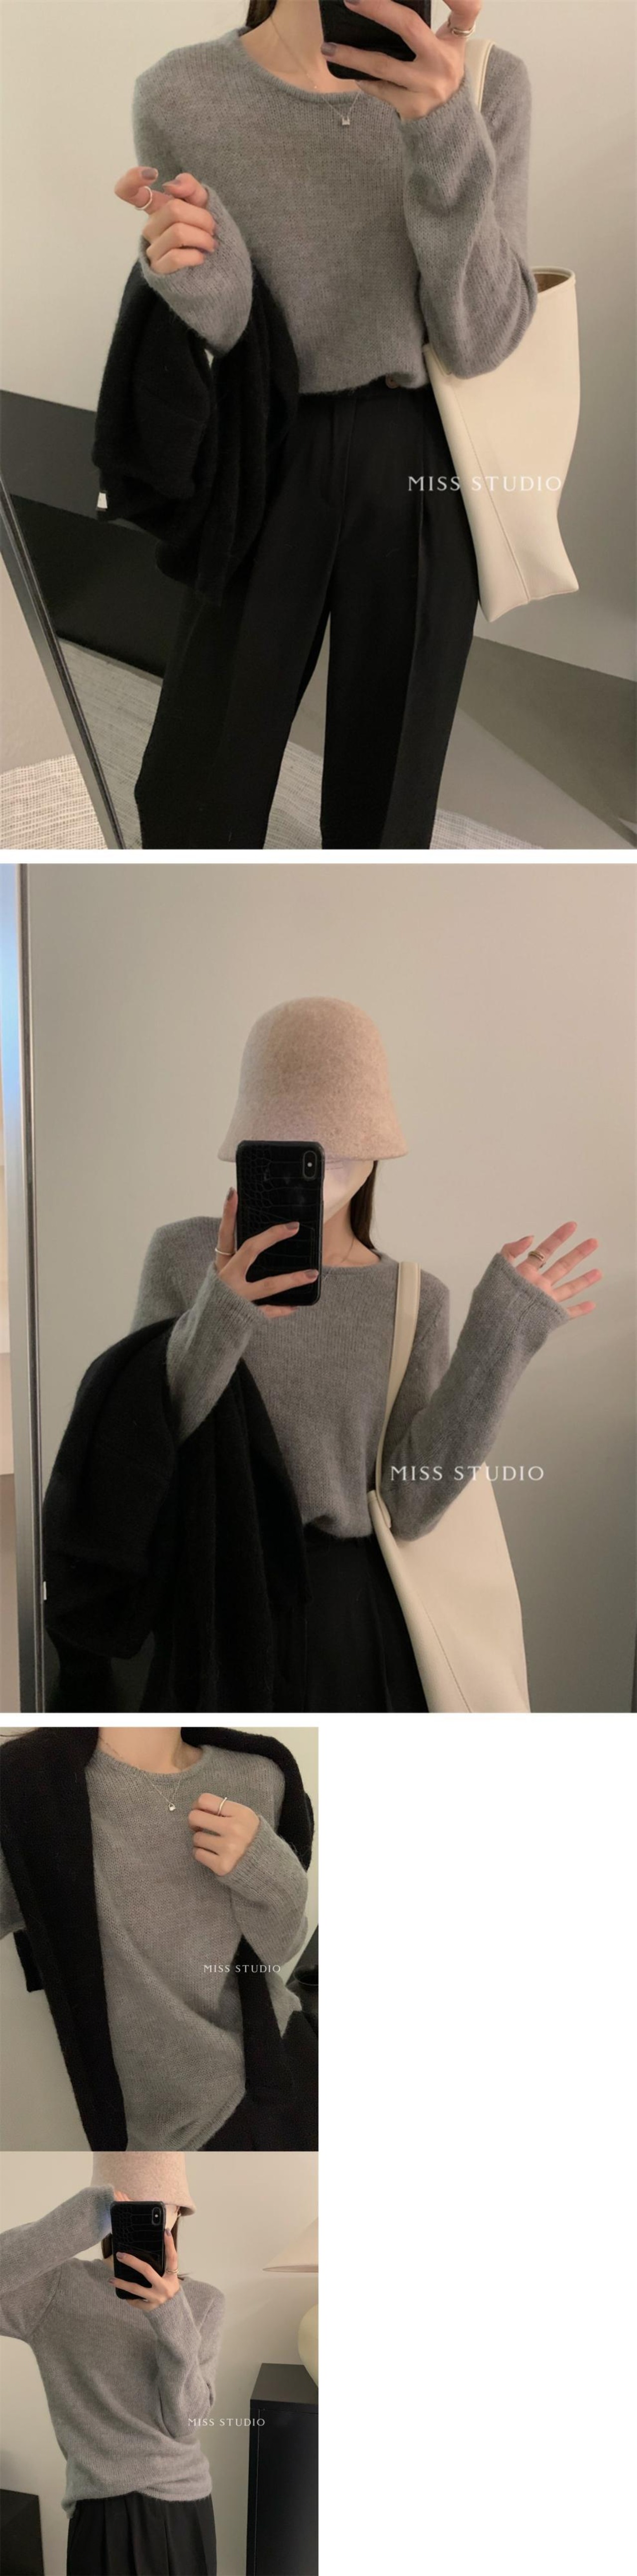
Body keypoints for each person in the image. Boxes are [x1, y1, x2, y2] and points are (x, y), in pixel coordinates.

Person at [112, 0, 538, 848]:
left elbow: (483, 337)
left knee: (388, 803)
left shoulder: (488, 84)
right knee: (198, 786)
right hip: (262, 444)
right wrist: (188, 275)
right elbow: (231, 331)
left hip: (426, 456)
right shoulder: (182, 92)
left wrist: (441, 128)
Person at [131, 996, 603, 1711]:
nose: (318, 1156)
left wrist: (500, 1336)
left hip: (348, 1623)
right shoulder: (183, 1255)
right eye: (293, 1136)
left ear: (375, 1144)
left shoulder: (412, 1297)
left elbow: (410, 1504)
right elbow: (144, 1444)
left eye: (339, 1134)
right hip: (208, 1598)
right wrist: (224, 1307)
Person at [0, 1726, 318, 2149]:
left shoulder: (259, 1775)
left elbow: (279, 1950)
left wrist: (264, 1867)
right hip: (169, 2124)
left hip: (281, 2061)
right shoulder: (32, 1789)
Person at [0, 2153, 223, 2576]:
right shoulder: (54, 2289)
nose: (141, 2210)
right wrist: (79, 2219)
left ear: (179, 2211)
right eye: (126, 2202)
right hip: (102, 2511)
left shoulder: (205, 2302)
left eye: (158, 2204)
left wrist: (170, 2315)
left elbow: (185, 2422)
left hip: (186, 2508)